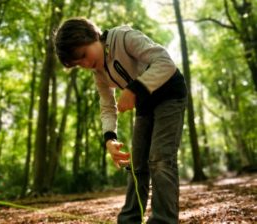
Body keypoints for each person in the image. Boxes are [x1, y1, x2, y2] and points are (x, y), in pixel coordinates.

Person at [54, 17, 187, 224]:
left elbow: (165, 62)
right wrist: (110, 138)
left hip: (170, 92)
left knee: (160, 159)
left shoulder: (124, 37)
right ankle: (130, 219)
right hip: (145, 103)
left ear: (93, 36)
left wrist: (135, 89)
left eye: (83, 55)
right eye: (79, 64)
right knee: (137, 166)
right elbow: (107, 106)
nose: (86, 64)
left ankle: (163, 220)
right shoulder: (98, 73)